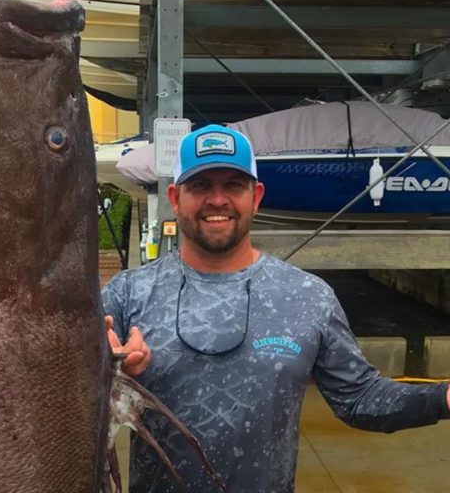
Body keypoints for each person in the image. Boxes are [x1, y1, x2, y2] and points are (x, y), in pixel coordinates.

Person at [102, 124, 450, 493]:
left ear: (256, 197)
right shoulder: (127, 295)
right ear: (175, 197)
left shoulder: (308, 296)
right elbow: (71, 412)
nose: (217, 199)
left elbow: (360, 398)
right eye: (200, 185)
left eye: (233, 185)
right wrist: (103, 371)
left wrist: (441, 398)